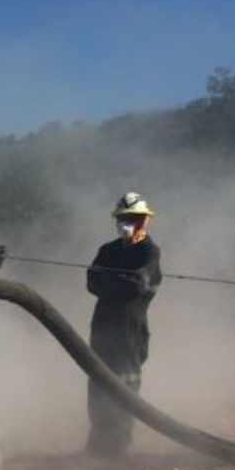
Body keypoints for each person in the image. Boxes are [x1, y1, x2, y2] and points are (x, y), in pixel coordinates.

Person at [86, 192, 163, 456]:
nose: (128, 224)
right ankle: (98, 444)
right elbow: (92, 282)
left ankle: (119, 445)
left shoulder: (149, 252)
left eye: (134, 219)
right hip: (102, 328)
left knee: (124, 387)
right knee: (98, 383)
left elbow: (138, 286)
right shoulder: (107, 251)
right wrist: (118, 282)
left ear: (145, 221)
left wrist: (112, 282)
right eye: (123, 218)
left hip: (131, 331)